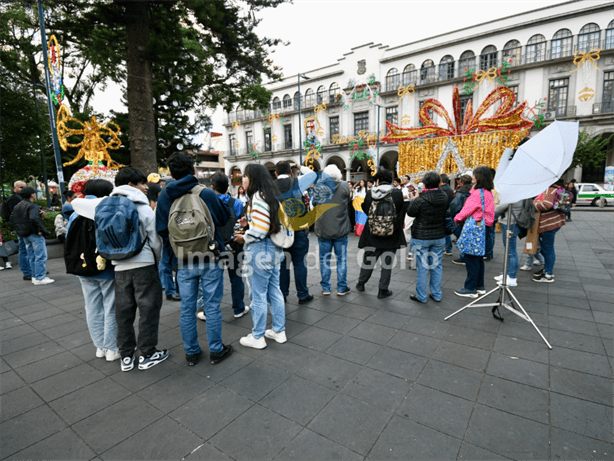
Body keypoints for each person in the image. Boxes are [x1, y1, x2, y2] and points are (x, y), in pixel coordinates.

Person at [156, 152, 233, 366]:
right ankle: (216, 350)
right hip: (209, 256)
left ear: (171, 173)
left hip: (182, 261)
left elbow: (162, 229)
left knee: (187, 309)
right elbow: (223, 218)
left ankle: (191, 352)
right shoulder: (205, 194)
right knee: (212, 306)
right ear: (193, 171)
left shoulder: (165, 196)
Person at [109, 167, 167, 371]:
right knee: (148, 310)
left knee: (123, 312)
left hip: (118, 266)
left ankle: (126, 356)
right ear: (132, 184)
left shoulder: (106, 205)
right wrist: (157, 261)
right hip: (144, 264)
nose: (145, 188)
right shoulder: (142, 207)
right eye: (142, 184)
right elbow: (155, 240)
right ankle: (147, 354)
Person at [233, 163, 286, 349]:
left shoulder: (257, 196)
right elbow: (267, 224)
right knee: (274, 291)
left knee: (258, 295)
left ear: (253, 178)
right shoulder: (270, 195)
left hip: (260, 251)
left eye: (245, 176)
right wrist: (250, 223)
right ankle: (279, 331)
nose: (243, 180)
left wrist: (244, 236)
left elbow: (261, 230)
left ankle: (257, 336)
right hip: (274, 250)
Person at [68, 179, 120, 361]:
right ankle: (112, 348)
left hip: (82, 268)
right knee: (111, 307)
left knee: (92, 307)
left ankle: (99, 347)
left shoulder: (74, 212)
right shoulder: (106, 209)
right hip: (106, 268)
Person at [201, 171, 249, 318]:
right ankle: (239, 308)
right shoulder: (237, 203)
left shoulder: (206, 203)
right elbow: (242, 223)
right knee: (236, 278)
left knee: (213, 280)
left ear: (213, 186)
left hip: (214, 247)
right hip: (234, 245)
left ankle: (209, 310)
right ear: (227, 186)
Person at [356, 167, 406, 299]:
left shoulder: (369, 193)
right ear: (390, 181)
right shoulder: (397, 193)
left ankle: (361, 283)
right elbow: (400, 210)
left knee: (368, 259)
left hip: (372, 232)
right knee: (387, 262)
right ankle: (382, 290)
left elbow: (366, 209)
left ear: (377, 181)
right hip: (391, 234)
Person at [275, 161, 314, 305]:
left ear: (276, 173)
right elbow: (312, 175)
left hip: (281, 232)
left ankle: (283, 295)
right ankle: (302, 294)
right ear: (291, 172)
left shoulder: (270, 185)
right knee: (299, 263)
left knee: (283, 264)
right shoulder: (297, 181)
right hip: (299, 230)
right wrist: (298, 166)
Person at [406, 171, 448, 303]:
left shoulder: (420, 199)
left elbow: (411, 213)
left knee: (422, 267)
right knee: (436, 265)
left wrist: (415, 197)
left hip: (422, 236)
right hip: (439, 235)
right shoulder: (444, 197)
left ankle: (422, 296)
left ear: (425, 184)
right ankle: (436, 294)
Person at [453, 166, 495, 298]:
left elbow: (467, 209)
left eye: (475, 175)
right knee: (478, 258)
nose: (473, 178)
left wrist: (457, 218)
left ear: (479, 178)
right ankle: (479, 286)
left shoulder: (477, 193)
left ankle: (470, 288)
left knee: (471, 258)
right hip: (484, 226)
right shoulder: (488, 192)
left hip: (475, 227)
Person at [313, 164, 351, 296]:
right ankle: (341, 287)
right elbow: (348, 200)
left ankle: (326, 288)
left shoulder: (319, 187)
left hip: (323, 230)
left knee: (324, 260)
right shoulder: (345, 186)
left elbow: (314, 203)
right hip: (340, 229)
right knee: (342, 259)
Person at [10, 187, 53, 285]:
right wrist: (38, 230)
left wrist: (21, 230)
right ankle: (40, 277)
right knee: (40, 256)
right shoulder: (33, 206)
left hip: (24, 234)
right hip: (34, 234)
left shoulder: (17, 206)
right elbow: (33, 219)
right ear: (32, 195)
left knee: (31, 255)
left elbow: (12, 219)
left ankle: (35, 276)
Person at [532, 179, 566, 283]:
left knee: (548, 249)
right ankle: (547, 269)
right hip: (556, 221)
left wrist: (533, 204)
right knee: (545, 248)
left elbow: (546, 204)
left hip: (549, 224)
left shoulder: (550, 189)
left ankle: (548, 274)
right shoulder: (559, 188)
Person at [493, 199, 523, 287]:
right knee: (509, 251)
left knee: (511, 252)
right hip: (511, 223)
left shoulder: (514, 195)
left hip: (510, 223)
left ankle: (512, 277)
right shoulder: (520, 194)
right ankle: (508, 274)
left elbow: (498, 208)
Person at [6, 181, 31, 278]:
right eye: (21, 187)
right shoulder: (14, 199)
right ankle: (27, 272)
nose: (23, 189)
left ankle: (33, 270)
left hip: (22, 227)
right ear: (15, 188)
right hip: (21, 228)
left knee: (27, 249)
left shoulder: (19, 198)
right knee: (24, 249)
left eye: (24, 187)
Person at [449, 175, 473, 265]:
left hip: (462, 217)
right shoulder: (474, 191)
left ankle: (464, 257)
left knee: (462, 237)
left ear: (461, 182)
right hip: (472, 217)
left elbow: (455, 206)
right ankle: (469, 255)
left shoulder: (460, 192)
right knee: (469, 237)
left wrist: (454, 216)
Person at [401, 175, 418, 262]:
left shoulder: (411, 187)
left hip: (408, 204)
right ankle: (406, 238)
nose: (403, 180)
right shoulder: (403, 186)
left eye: (404, 179)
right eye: (403, 179)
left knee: (407, 222)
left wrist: (405, 196)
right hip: (403, 204)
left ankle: (407, 238)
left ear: (408, 180)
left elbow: (412, 196)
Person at [484, 168, 498, 261]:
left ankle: (488, 253)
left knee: (489, 234)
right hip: (493, 214)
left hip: (489, 214)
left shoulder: (492, 189)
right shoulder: (495, 187)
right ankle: (489, 252)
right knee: (490, 234)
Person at [439, 174, 454, 255]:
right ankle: (448, 248)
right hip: (449, 212)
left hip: (442, 212)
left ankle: (446, 248)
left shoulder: (441, 190)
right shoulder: (450, 189)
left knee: (443, 231)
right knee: (447, 231)